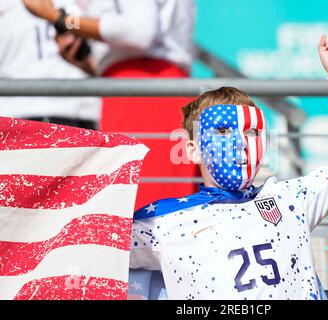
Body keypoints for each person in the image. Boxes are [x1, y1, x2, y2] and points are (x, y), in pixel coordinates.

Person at [129, 34, 328, 299]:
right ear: (192, 151)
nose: (240, 142)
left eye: (251, 132)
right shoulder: (161, 222)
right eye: (222, 131)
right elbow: (91, 249)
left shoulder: (290, 198)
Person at [22, 0, 198, 208]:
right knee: (146, 216)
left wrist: (60, 19)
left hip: (145, 97)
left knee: (144, 214)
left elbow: (140, 31)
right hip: (144, 93)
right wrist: (84, 58)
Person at [0, 0, 100, 129]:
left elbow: (106, 66)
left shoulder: (81, 7)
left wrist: (82, 60)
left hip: (78, 114)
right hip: (15, 115)